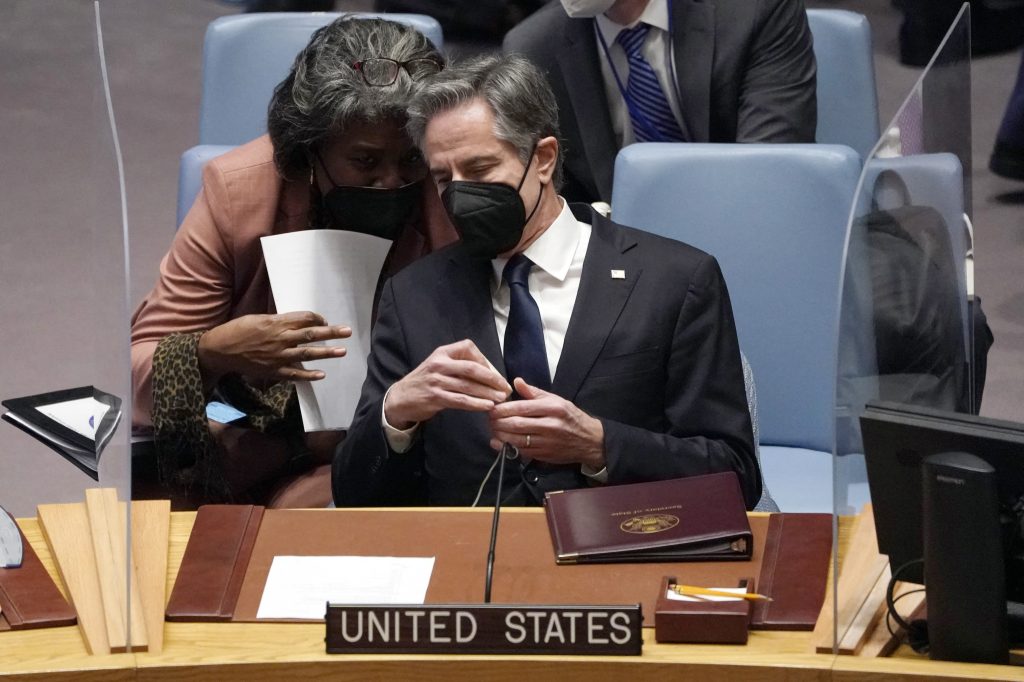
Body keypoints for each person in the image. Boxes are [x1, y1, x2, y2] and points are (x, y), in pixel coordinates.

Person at [333, 54, 760, 509]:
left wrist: (599, 445)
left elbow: (735, 477)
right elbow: (356, 496)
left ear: (542, 159)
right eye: (443, 178)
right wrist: (395, 414)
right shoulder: (414, 295)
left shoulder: (674, 280)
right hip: (469, 561)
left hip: (623, 551)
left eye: (479, 171)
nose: (458, 194)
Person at [131, 17, 456, 507]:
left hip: (406, 439)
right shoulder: (239, 194)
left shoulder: (448, 191)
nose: (392, 182)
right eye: (365, 163)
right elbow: (139, 374)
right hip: (255, 434)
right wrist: (213, 351)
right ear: (308, 151)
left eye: (410, 159)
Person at [503, 0, 817, 204]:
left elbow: (770, 173)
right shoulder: (534, 48)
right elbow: (552, 199)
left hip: (746, 222)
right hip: (625, 257)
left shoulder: (755, 11)